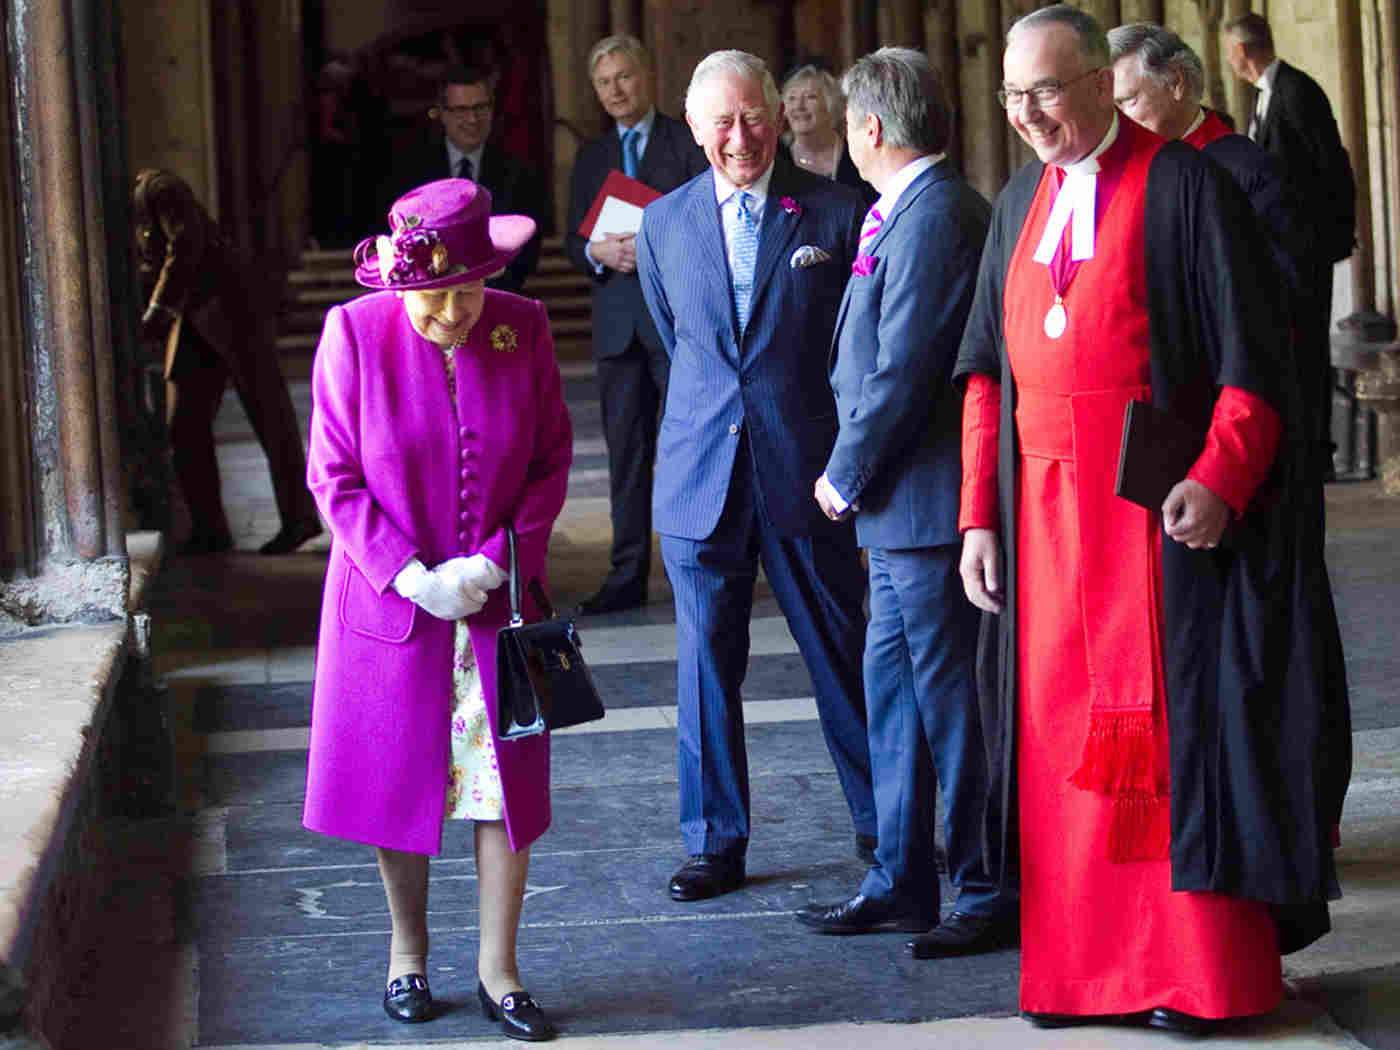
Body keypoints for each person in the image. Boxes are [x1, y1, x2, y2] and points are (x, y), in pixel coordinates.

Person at [955, 5, 1349, 1034]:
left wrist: (1221, 476)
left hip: (1150, 525)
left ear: (1100, 82)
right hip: (1042, 527)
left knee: (1173, 748)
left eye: (1046, 90)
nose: (1028, 113)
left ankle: (1197, 978)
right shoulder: (1015, 203)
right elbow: (984, 375)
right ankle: (1078, 978)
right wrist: (977, 516)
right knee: (1057, 745)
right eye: (1013, 95)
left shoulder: (1186, 187)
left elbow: (1256, 360)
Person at [302, 179, 572, 1038]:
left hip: (501, 605)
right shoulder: (353, 331)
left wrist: (496, 561)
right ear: (399, 282)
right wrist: (412, 575)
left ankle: (501, 970)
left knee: (505, 787)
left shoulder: (524, 326)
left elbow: (551, 462)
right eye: (435, 296)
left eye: (470, 290)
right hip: (395, 607)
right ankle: (407, 955)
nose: (454, 313)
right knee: (398, 780)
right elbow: (333, 478)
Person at [636, 49, 876, 902]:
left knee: (841, 655)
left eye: (753, 117)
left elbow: (857, 349)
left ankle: (882, 823)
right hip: (701, 475)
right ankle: (714, 841)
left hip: (805, 474)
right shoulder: (663, 223)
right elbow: (678, 338)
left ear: (778, 116)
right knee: (705, 668)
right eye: (722, 123)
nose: (740, 137)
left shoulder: (839, 211)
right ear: (694, 128)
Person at [796, 47, 1015, 955]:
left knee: (950, 708)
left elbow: (906, 367)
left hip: (923, 506)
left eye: (848, 122)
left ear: (872, 127)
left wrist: (843, 473)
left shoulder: (937, 216)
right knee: (892, 699)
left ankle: (981, 887)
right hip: (899, 511)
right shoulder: (909, 208)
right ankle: (899, 879)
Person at [565, 35, 708, 616]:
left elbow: (705, 220)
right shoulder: (591, 156)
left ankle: (693, 567)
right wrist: (596, 251)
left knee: (687, 451)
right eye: (604, 83)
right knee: (626, 457)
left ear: (646, 76)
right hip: (617, 328)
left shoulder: (685, 141)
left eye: (624, 77)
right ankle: (626, 576)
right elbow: (572, 241)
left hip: (675, 323)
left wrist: (652, 247)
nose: (616, 90)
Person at [133, 168, 322, 556]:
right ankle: (210, 529)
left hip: (230, 307)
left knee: (269, 413)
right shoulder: (131, 207)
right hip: (192, 316)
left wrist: (158, 310)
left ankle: (300, 519)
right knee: (184, 424)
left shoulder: (159, 187)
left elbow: (185, 244)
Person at [1225, 11, 1355, 474]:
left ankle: (1318, 452)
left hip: (1304, 249)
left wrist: (1331, 239)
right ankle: (1304, 446)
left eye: (1230, 53)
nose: (1231, 62)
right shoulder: (1268, 94)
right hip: (1282, 249)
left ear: (1241, 50)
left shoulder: (1297, 91)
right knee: (1295, 346)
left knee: (1310, 347)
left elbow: (1332, 167)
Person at [1108, 23, 1309, 303]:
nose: (1117, 121)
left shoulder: (1248, 172)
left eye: (1127, 101)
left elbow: (1279, 292)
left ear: (1176, 82)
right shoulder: (1119, 171)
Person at [383, 65, 545, 292]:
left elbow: (529, 248)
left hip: (499, 294)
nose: (472, 119)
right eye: (461, 110)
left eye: (480, 107)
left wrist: (485, 289)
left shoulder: (520, 170)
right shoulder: (414, 171)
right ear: (443, 113)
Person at [780, 65, 876, 204]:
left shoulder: (857, 155)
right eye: (792, 98)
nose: (799, 106)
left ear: (830, 104)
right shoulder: (777, 157)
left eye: (810, 97)